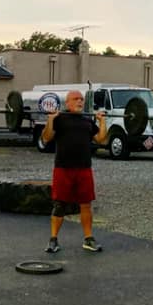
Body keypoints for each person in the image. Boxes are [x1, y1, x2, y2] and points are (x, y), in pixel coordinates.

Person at [41, 89, 108, 253]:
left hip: (84, 168)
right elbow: (46, 137)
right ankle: (53, 240)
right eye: (76, 99)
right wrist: (50, 119)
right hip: (63, 168)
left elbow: (101, 139)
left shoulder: (87, 121)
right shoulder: (59, 119)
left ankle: (88, 239)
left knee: (86, 204)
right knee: (60, 205)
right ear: (68, 102)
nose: (80, 101)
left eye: (81, 99)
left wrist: (102, 121)